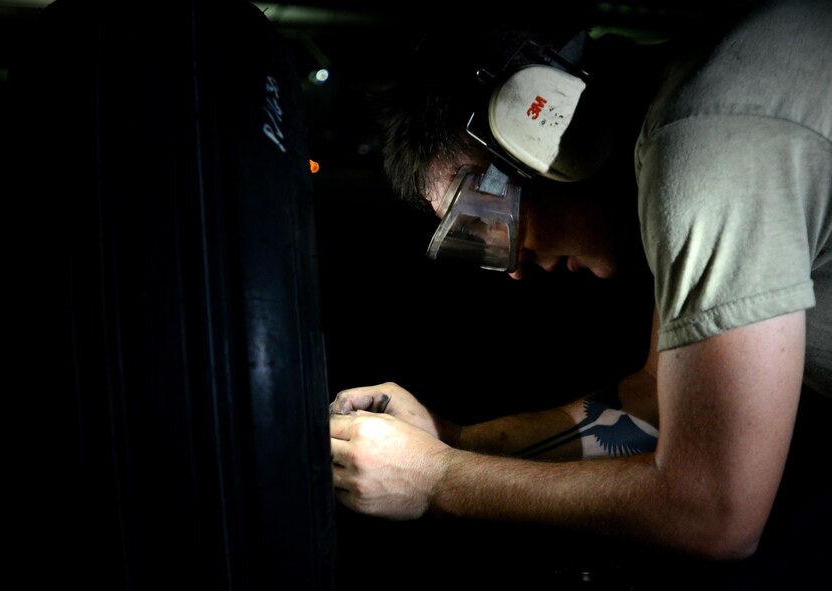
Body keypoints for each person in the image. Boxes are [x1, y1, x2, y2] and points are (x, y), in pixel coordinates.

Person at [328, 0, 831, 586]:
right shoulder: (687, 113)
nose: (511, 265)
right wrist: (450, 441)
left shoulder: (705, 154)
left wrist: (439, 480)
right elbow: (654, 402)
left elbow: (713, 513)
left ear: (538, 128)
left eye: (482, 216)